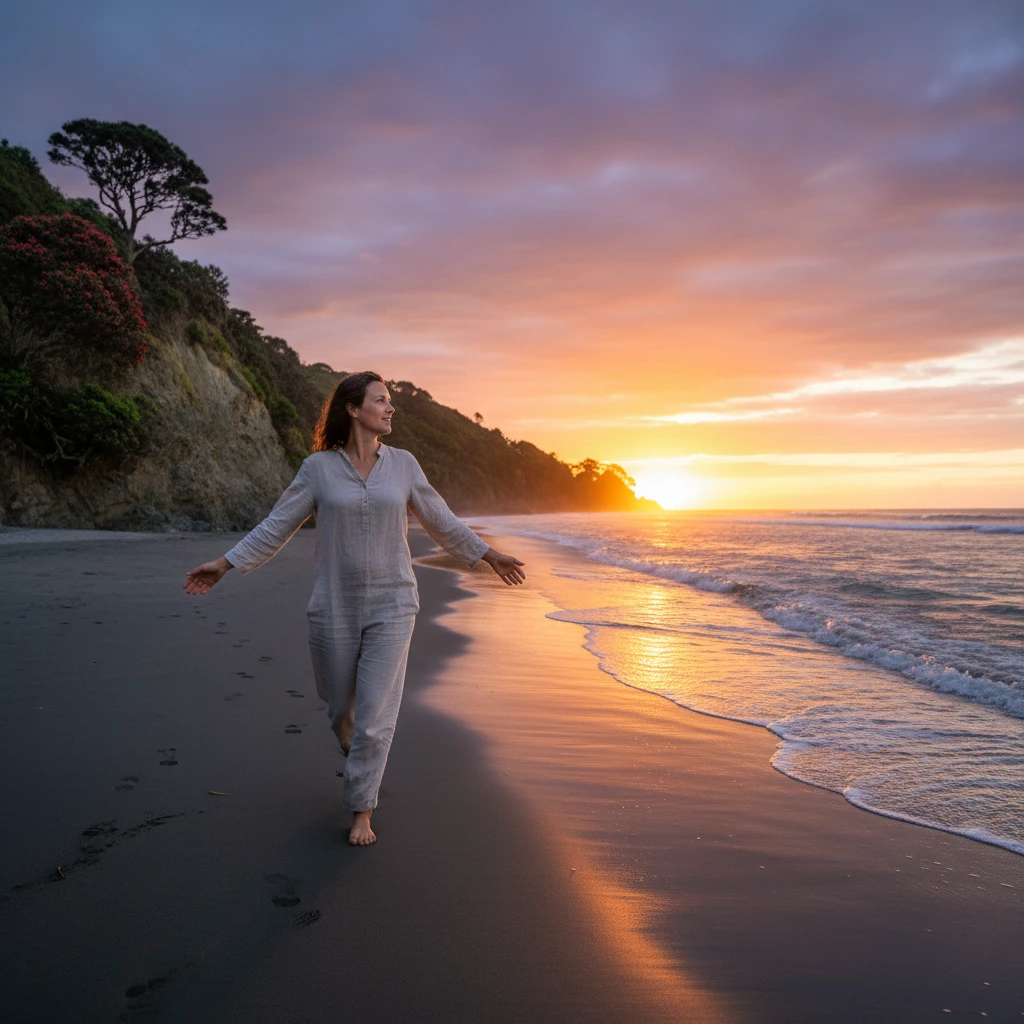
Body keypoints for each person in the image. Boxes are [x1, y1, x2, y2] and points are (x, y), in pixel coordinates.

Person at [182, 371, 525, 846]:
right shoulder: (318, 469)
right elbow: (277, 525)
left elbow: (440, 518)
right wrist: (225, 563)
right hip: (333, 606)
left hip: (394, 602)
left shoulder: (404, 465)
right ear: (353, 409)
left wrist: (488, 554)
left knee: (374, 719)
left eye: (390, 401)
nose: (390, 408)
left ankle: (361, 808)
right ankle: (354, 747)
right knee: (340, 711)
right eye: (380, 401)